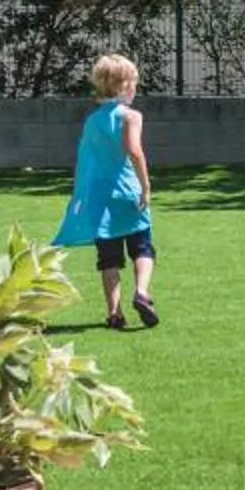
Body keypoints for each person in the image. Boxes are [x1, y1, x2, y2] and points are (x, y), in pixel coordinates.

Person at [56, 53, 158, 329]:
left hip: (99, 199)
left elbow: (84, 158)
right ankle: (142, 293)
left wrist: (79, 195)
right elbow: (134, 151)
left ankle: (115, 313)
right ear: (124, 85)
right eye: (134, 82)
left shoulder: (93, 120)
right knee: (142, 247)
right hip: (127, 193)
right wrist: (146, 186)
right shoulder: (132, 116)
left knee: (108, 258)